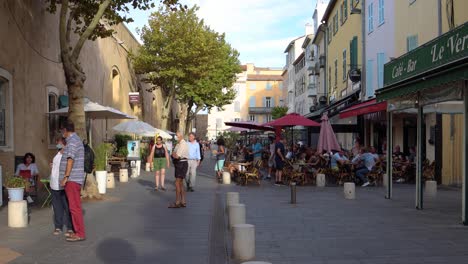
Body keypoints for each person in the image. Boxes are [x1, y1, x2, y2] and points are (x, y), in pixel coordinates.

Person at [59, 121, 86, 242]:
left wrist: (66, 177)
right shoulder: (73, 140)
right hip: (74, 179)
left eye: (61, 130)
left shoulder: (72, 141)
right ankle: (76, 231)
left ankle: (79, 233)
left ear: (65, 130)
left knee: (75, 207)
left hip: (72, 179)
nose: (61, 133)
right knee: (73, 207)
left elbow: (70, 160)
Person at [50, 137, 73, 237]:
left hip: (63, 185)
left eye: (59, 143)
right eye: (57, 144)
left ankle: (70, 227)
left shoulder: (68, 155)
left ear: (64, 144)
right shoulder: (57, 154)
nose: (58, 145)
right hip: (54, 185)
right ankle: (58, 226)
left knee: (67, 207)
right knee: (57, 207)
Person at [169, 132, 189, 208]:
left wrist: (174, 154)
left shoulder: (182, 144)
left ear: (180, 136)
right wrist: (173, 154)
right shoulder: (179, 143)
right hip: (181, 163)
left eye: (177, 136)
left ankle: (177, 202)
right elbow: (173, 152)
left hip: (181, 163)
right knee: (180, 183)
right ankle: (183, 201)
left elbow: (176, 155)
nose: (176, 138)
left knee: (177, 183)